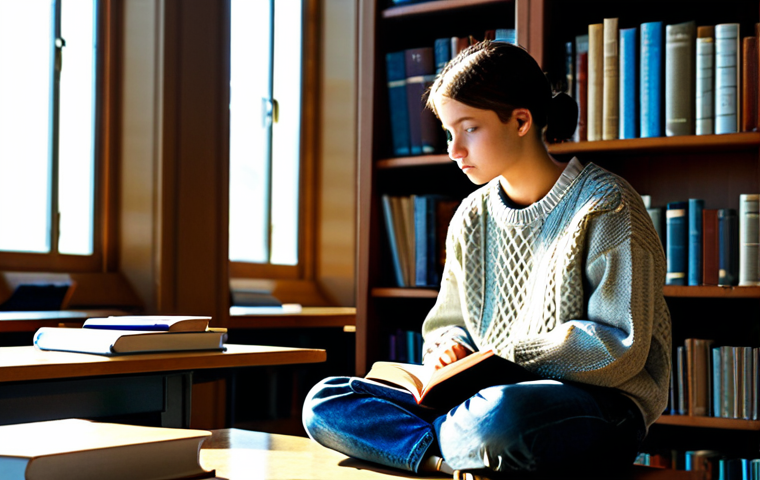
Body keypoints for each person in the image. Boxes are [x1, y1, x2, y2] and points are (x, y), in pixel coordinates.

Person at [302, 40, 671, 478]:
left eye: (469, 128)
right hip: (481, 397)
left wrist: (506, 355)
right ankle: (451, 452)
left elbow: (619, 347)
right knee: (326, 400)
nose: (454, 150)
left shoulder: (607, 205)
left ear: (520, 121)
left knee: (501, 416)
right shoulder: (471, 216)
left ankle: (435, 442)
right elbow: (446, 322)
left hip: (596, 406)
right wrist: (446, 349)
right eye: (447, 133)